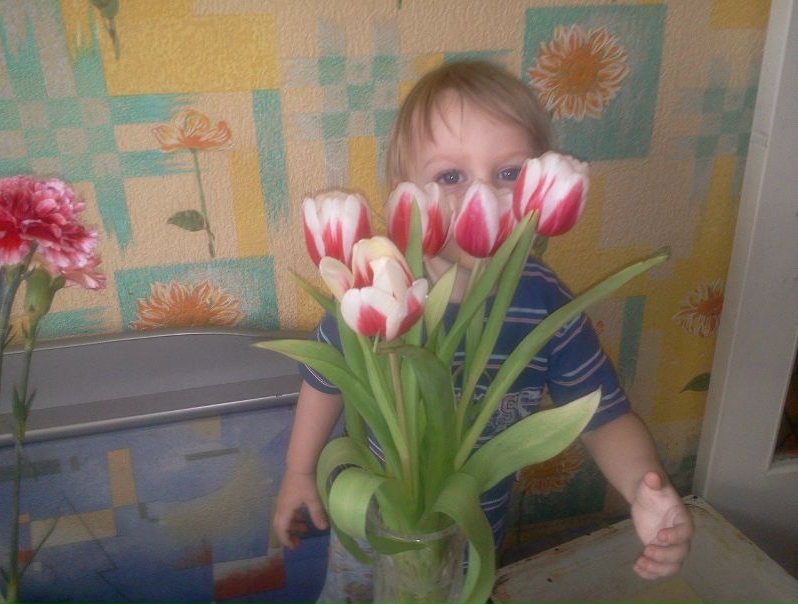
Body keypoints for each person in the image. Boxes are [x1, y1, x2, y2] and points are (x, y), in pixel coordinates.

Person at [273, 60, 694, 603]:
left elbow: (603, 415)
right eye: (451, 177)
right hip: (375, 530)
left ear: (540, 184)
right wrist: (298, 470)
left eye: (509, 174)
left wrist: (644, 489)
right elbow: (325, 377)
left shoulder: (543, 301)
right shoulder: (374, 280)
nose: (482, 196)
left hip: (472, 536)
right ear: (407, 196)